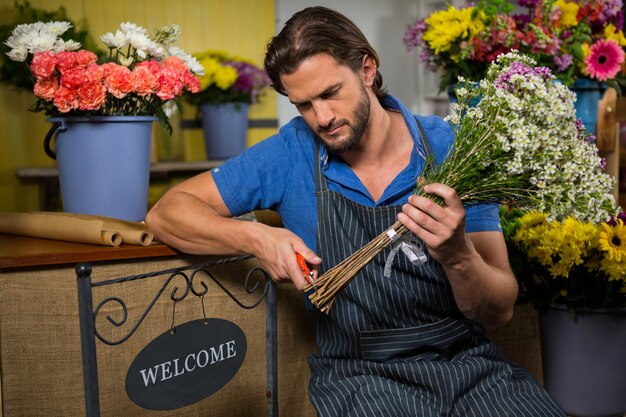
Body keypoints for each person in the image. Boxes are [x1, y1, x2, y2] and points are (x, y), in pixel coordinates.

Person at [146, 6, 564, 417]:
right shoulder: (290, 152)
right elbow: (166, 213)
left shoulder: (451, 148)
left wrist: (457, 254)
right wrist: (258, 238)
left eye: (330, 93)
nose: (322, 118)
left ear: (367, 69)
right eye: (304, 105)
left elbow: (498, 311)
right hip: (363, 377)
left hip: (471, 366)